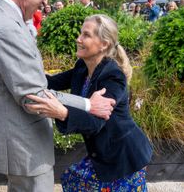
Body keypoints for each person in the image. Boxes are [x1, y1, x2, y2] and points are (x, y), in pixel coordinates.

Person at [0, 0, 115, 191]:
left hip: (17, 140)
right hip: (24, 146)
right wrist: (89, 104)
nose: (46, 0)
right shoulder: (6, 28)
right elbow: (35, 96)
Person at [26, 14, 153, 191]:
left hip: (124, 157)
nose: (78, 39)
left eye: (86, 35)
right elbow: (52, 82)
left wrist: (62, 112)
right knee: (72, 179)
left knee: (75, 181)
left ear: (104, 44)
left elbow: (95, 122)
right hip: (104, 153)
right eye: (80, 33)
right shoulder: (82, 68)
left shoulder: (113, 78)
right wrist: (23, 72)